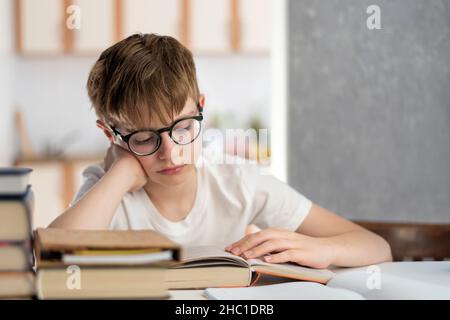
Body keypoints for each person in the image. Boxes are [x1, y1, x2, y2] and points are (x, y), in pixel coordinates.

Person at [49, 33, 392, 268]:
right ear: (110, 134)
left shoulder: (236, 183)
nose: (171, 153)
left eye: (183, 128)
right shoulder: (108, 189)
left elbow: (378, 248)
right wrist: (121, 173)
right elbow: (53, 256)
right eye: (144, 138)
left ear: (201, 107)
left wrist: (322, 248)